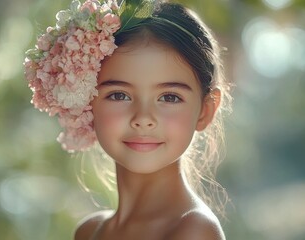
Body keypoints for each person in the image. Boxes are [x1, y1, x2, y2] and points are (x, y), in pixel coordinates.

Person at [24, 0, 231, 239]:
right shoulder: (88, 232)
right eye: (119, 95)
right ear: (83, 100)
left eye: (170, 97)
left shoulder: (193, 232)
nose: (143, 118)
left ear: (206, 110)